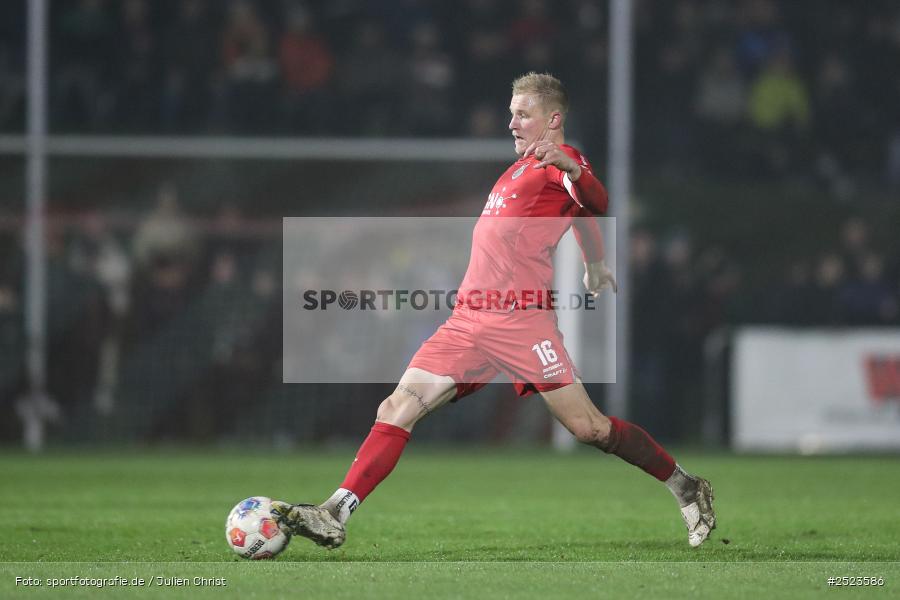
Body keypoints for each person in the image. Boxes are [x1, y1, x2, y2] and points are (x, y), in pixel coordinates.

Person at [273, 73, 715, 549]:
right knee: (397, 406)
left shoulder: (561, 166)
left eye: (522, 114)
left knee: (590, 428)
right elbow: (583, 218)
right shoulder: (516, 170)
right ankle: (334, 512)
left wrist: (572, 167)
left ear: (554, 118)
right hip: (467, 320)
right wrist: (595, 263)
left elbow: (594, 200)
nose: (512, 123)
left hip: (523, 323)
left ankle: (687, 486)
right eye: (511, 114)